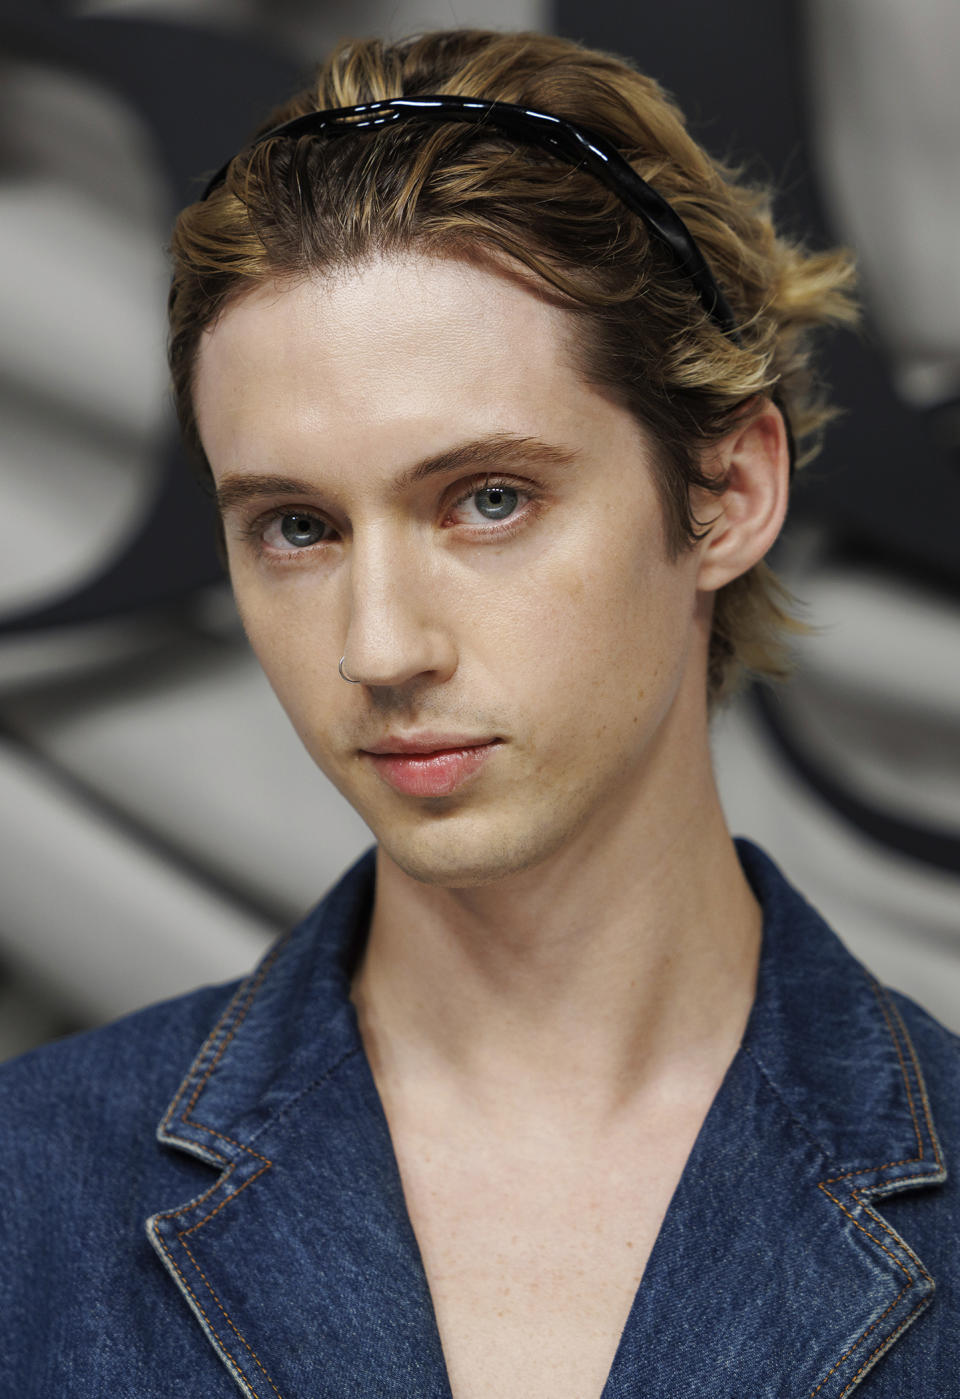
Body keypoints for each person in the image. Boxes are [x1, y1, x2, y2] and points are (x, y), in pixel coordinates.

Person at [1, 27, 957, 1399]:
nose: (380, 647)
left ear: (727, 492)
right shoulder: (27, 1191)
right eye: (296, 527)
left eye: (488, 499)